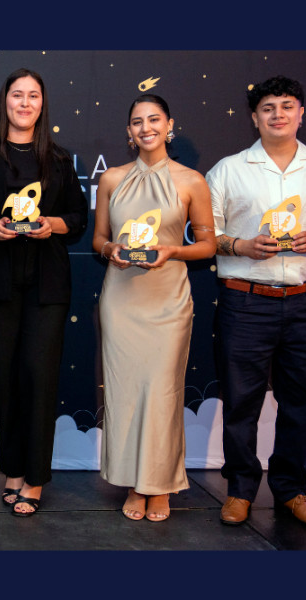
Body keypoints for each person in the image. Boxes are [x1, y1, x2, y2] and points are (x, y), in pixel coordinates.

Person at [206, 75, 306, 528]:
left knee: (303, 401)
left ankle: (292, 490)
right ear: (254, 117)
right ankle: (239, 491)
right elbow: (207, 233)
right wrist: (241, 246)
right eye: (268, 108)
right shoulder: (228, 170)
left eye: (287, 106)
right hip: (244, 301)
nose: (278, 114)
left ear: (301, 113)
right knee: (241, 402)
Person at [0, 68, 88, 517]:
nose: (24, 103)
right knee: (7, 377)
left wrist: (50, 225)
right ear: (5, 102)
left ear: (42, 104)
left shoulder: (59, 158)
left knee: (39, 377)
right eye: (17, 95)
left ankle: (35, 478)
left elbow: (78, 219)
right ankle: (13, 470)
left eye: (33, 95)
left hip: (47, 284)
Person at [93, 94, 216, 522]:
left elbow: (208, 245)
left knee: (163, 393)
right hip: (121, 300)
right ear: (128, 131)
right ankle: (133, 483)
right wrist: (110, 250)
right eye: (137, 121)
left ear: (169, 125)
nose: (146, 127)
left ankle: (159, 484)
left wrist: (172, 251)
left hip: (168, 301)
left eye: (154, 119)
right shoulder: (111, 179)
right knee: (125, 393)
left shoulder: (192, 181)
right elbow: (99, 238)